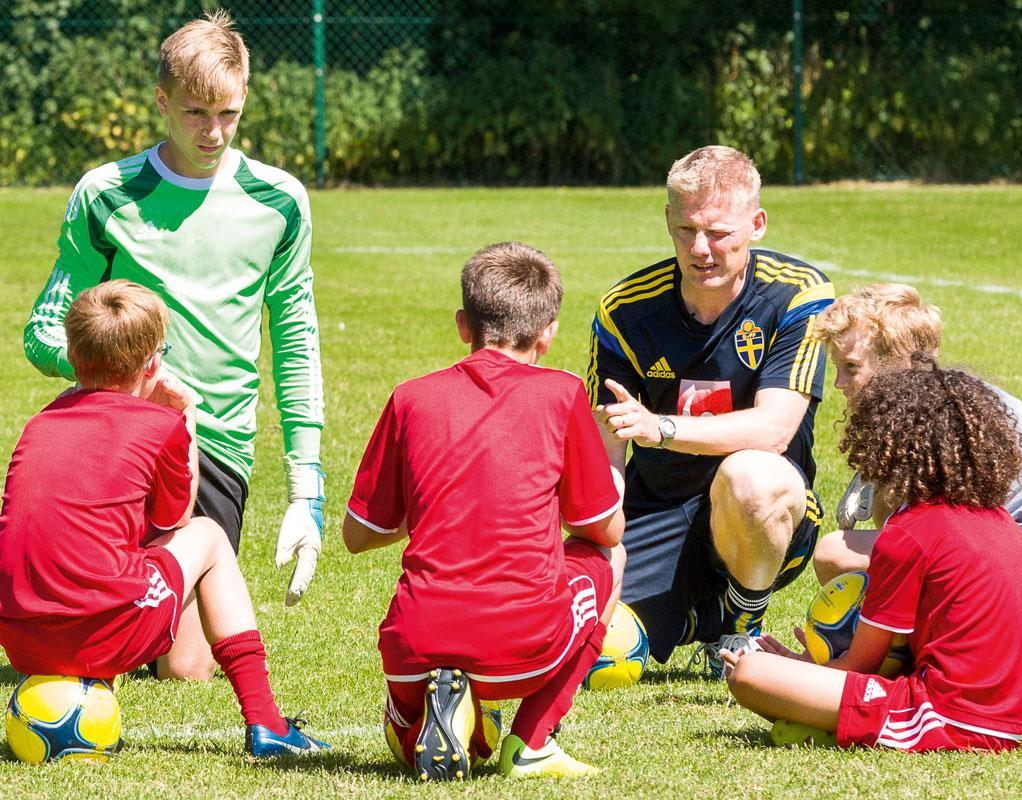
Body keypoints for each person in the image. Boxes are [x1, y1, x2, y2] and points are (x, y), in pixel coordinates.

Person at [22, 11, 325, 681]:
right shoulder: (105, 193)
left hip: (213, 446)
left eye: (228, 113)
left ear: (245, 98)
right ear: (160, 102)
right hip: (110, 441)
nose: (212, 132)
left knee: (183, 669)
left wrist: (307, 488)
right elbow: (43, 331)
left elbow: (297, 340)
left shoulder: (279, 202)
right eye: (194, 112)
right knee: (102, 650)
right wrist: (128, 375)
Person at [0, 282, 327, 757]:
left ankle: (89, 670)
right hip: (103, 632)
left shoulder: (40, 422)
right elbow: (174, 517)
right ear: (154, 363)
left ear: (72, 355)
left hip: (21, 641)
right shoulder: (160, 425)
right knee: (210, 536)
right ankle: (267, 722)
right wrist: (186, 416)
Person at [343, 242, 626, 781]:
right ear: (548, 332)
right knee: (612, 558)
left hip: (414, 641)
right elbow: (603, 529)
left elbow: (358, 535)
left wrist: (429, 504)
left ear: (461, 325)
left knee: (418, 739)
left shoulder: (411, 397)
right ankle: (532, 742)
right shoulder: (564, 393)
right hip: (523, 646)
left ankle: (417, 715)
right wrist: (611, 477)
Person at [587, 145, 832, 675]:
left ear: (757, 224)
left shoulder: (797, 295)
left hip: (766, 508)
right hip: (659, 504)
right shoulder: (625, 310)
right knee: (585, 639)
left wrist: (662, 428)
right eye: (686, 230)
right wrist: (602, 543)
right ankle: (703, 616)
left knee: (749, 475)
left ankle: (743, 624)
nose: (700, 248)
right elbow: (605, 441)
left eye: (719, 233)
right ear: (668, 220)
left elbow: (774, 429)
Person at [723, 361, 1022, 753]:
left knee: (748, 673)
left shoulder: (908, 534)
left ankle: (828, 723)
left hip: (949, 717)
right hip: (1013, 715)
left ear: (886, 447)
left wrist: (798, 670)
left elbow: (860, 665)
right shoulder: (1001, 521)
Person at [811, 283, 1022, 585]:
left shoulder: (939, 420)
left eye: (851, 367)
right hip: (996, 548)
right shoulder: (939, 398)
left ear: (903, 361)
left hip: (1008, 561)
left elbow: (947, 531)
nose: (838, 382)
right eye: (837, 366)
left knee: (836, 555)